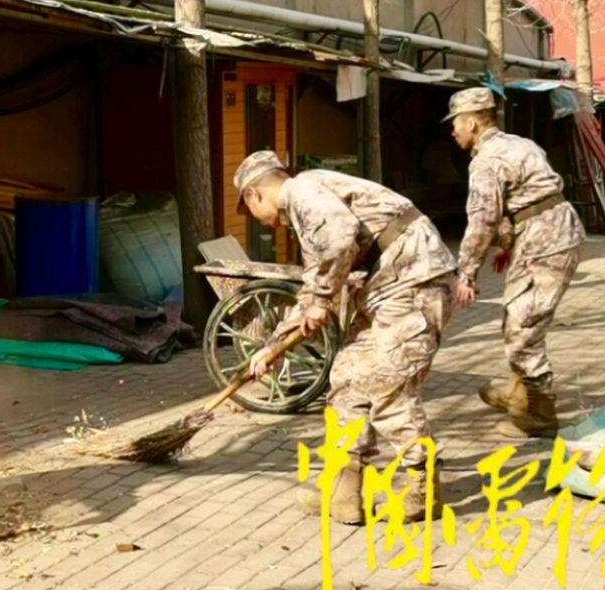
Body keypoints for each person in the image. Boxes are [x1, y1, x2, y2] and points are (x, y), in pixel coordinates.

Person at [236, 151, 456, 523]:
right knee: (346, 380)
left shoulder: (302, 191)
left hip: (414, 285)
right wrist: (274, 347)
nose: (260, 222)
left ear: (254, 194)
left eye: (251, 212)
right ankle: (344, 491)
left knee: (387, 385)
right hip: (386, 292)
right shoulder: (309, 215)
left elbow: (339, 241)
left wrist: (322, 299)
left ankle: (423, 489)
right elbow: (313, 288)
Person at [444, 87, 585, 439]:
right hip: (550, 231)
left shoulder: (486, 161)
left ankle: (538, 416)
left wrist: (467, 273)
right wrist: (507, 244)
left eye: (456, 124)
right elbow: (520, 199)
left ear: (472, 123)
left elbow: (483, 220)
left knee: (524, 327)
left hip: (545, 240)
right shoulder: (520, 144)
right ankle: (518, 393)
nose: (453, 131)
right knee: (519, 316)